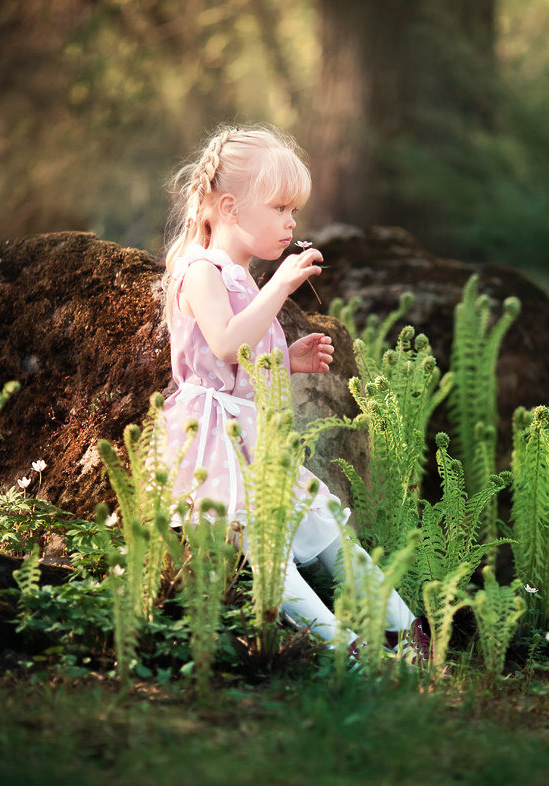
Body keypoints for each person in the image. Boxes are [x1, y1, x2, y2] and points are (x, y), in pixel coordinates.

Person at [158, 124, 429, 660]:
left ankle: (408, 633)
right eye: (280, 208)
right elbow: (227, 344)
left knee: (329, 530)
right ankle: (345, 653)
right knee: (268, 554)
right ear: (231, 208)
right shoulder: (200, 272)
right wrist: (281, 284)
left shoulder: (238, 276)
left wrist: (287, 360)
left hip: (255, 436)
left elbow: (245, 357)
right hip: (216, 442)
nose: (291, 222)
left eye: (294, 211)